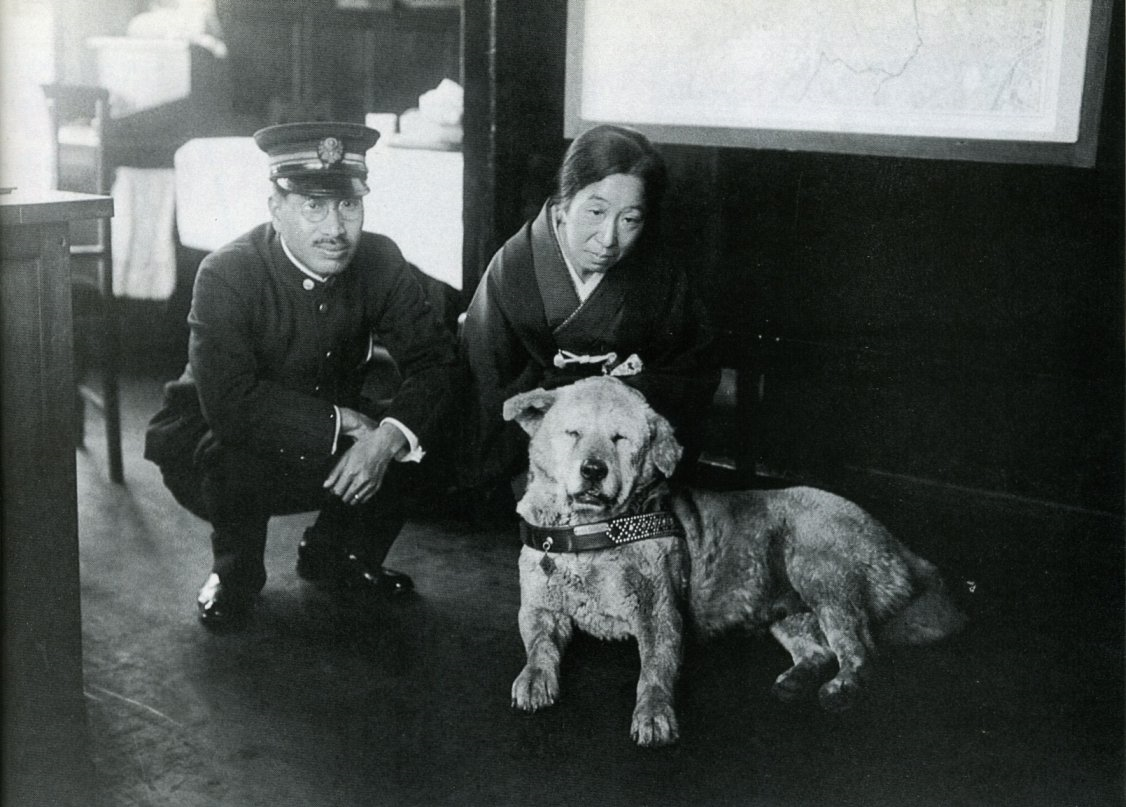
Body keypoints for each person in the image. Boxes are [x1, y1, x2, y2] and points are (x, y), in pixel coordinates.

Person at [144, 122, 459, 626]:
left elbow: (436, 363)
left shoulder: (380, 259)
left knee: (423, 428)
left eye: (349, 206)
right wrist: (342, 423)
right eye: (313, 206)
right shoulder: (228, 273)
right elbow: (230, 407)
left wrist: (383, 442)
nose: (335, 229)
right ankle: (234, 573)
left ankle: (339, 554)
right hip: (214, 445)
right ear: (276, 208)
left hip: (329, 440)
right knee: (234, 453)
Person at [460, 124, 720, 492]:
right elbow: (488, 381)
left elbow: (690, 372)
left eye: (630, 220)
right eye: (595, 212)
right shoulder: (514, 269)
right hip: (534, 463)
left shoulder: (659, 276)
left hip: (623, 461)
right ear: (565, 204)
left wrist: (622, 392)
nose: (609, 238)